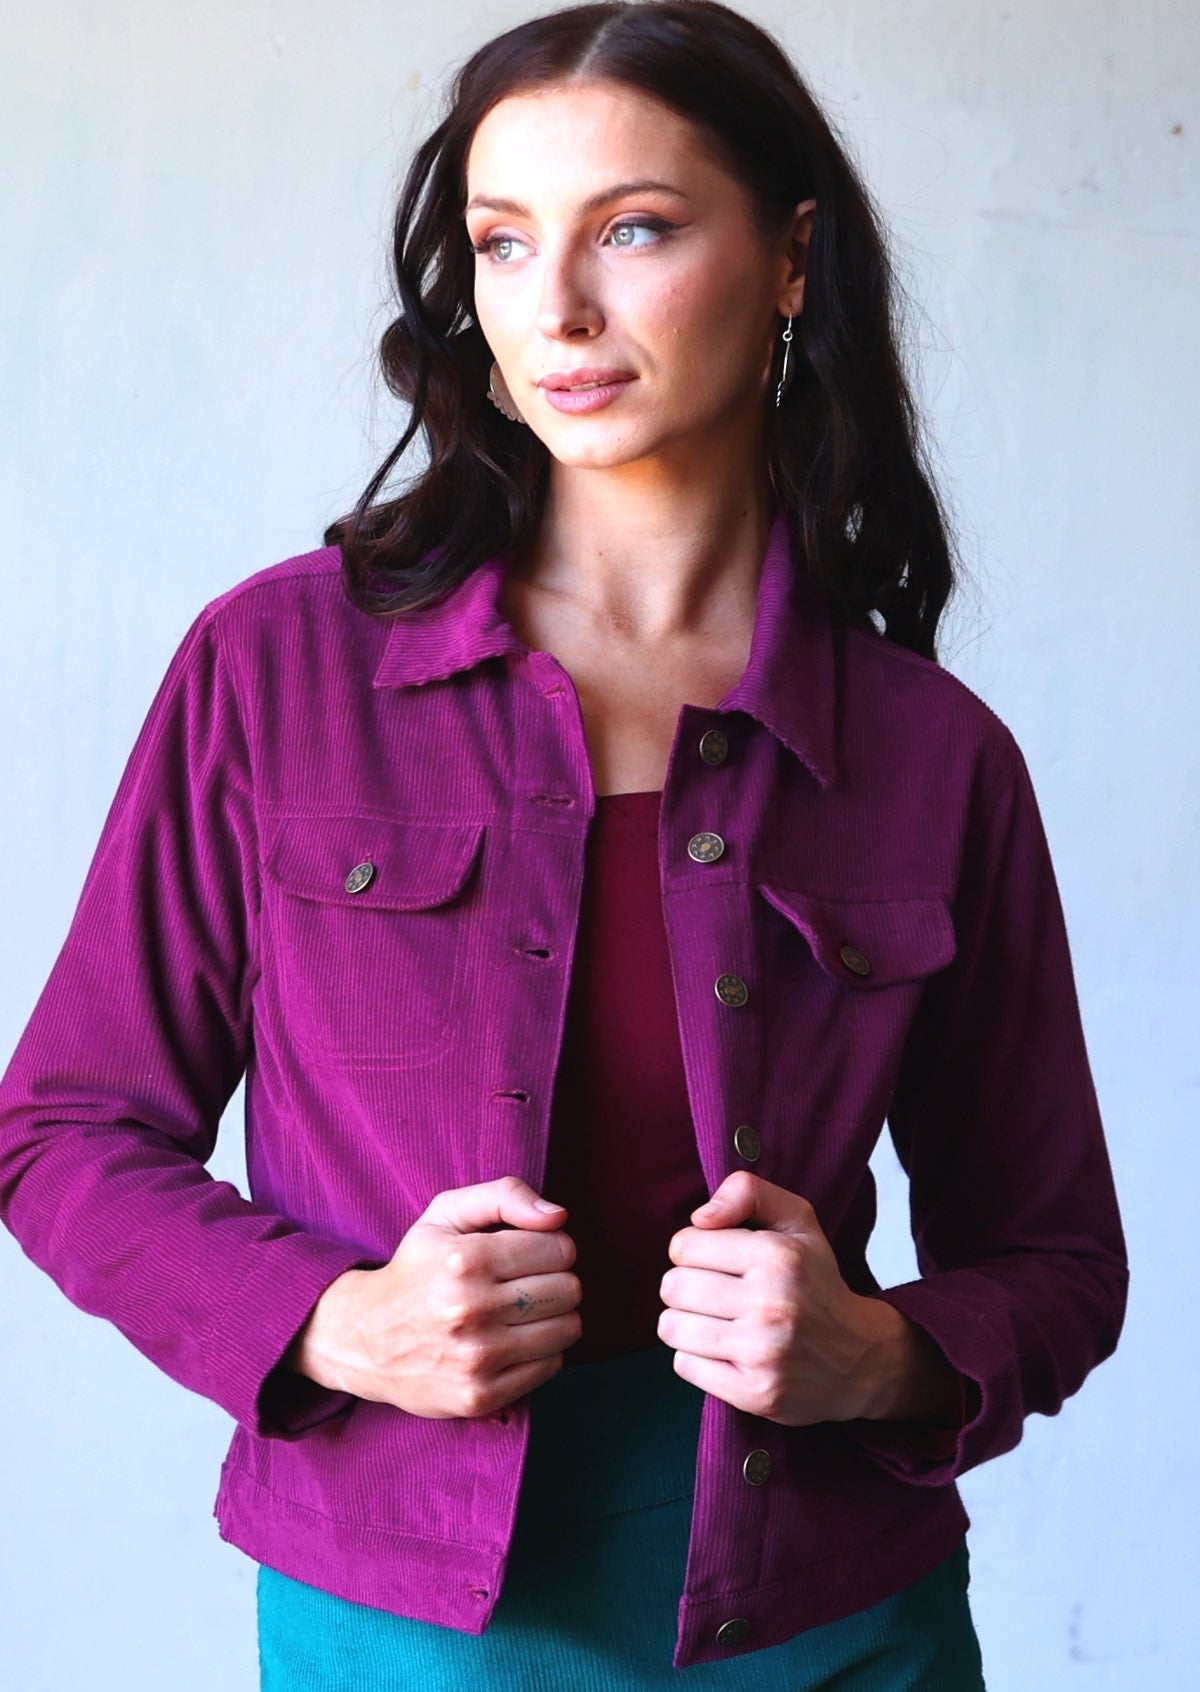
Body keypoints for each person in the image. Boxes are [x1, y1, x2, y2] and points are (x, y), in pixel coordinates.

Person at [0, 2, 1127, 1687]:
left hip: (834, 1618)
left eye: (636, 230)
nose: (559, 309)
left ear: (793, 256)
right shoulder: (278, 670)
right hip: (408, 1617)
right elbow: (66, 1131)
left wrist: (880, 1355)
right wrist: (330, 1321)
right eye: (505, 242)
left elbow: (1056, 1259)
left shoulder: (931, 755)